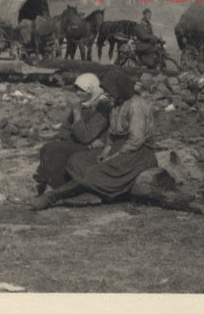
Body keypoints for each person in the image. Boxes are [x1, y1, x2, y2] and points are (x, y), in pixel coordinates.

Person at [31, 68, 158, 210]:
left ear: (118, 88)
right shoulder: (116, 104)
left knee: (97, 171)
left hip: (138, 154)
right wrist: (106, 151)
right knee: (77, 160)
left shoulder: (136, 105)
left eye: (109, 91)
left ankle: (53, 196)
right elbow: (112, 134)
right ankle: (92, 193)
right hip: (119, 147)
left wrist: (114, 156)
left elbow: (136, 140)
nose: (106, 94)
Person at [32, 73, 112, 196]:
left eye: (82, 91)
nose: (78, 93)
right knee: (48, 148)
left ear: (92, 90)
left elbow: (85, 136)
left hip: (93, 147)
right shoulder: (83, 105)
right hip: (80, 142)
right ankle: (52, 181)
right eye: (77, 90)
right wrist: (71, 135)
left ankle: (55, 185)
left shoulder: (102, 108)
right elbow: (64, 129)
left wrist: (76, 113)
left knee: (54, 149)